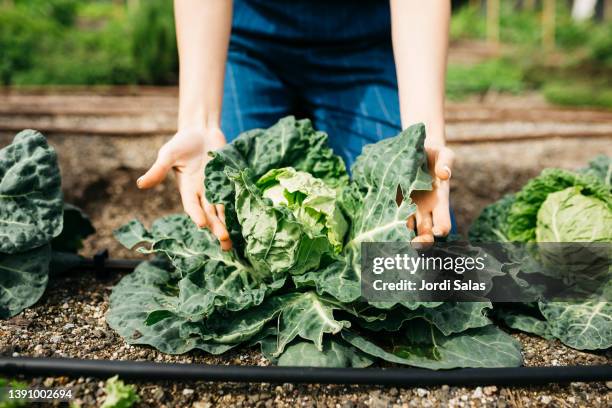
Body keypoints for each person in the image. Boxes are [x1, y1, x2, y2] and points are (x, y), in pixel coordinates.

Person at [137, 0, 455, 251]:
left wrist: (420, 139)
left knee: (409, 243)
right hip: (249, 42)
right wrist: (200, 122)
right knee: (228, 230)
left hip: (363, 43)